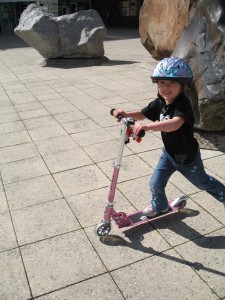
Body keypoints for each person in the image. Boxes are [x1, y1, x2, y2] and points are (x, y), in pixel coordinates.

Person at [113, 57, 225, 217]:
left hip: (188, 158)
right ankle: (160, 206)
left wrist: (147, 127)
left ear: (183, 86)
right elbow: (142, 113)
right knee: (155, 184)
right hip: (168, 155)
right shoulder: (159, 102)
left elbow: (175, 123)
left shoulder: (182, 104)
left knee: (204, 183)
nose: (166, 87)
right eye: (162, 83)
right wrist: (125, 114)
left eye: (172, 83)